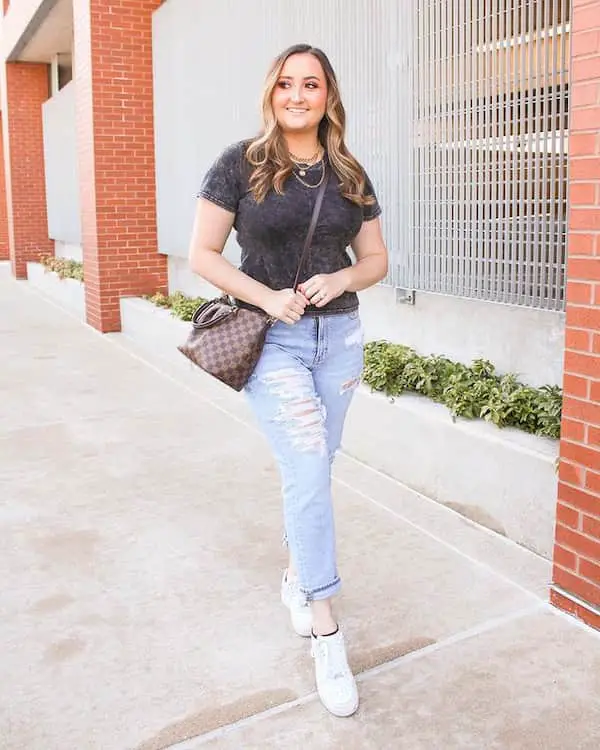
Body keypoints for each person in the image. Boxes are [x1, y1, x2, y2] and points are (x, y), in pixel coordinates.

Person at [188, 43, 388, 718]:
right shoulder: (240, 164)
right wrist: (270, 298)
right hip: (272, 340)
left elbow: (377, 260)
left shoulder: (349, 172)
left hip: (339, 340)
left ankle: (298, 576)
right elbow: (202, 255)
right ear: (271, 94)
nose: (298, 95)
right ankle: (327, 635)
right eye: (286, 84)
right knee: (306, 469)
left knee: (316, 470)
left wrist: (342, 277)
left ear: (328, 97)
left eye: (311, 85)